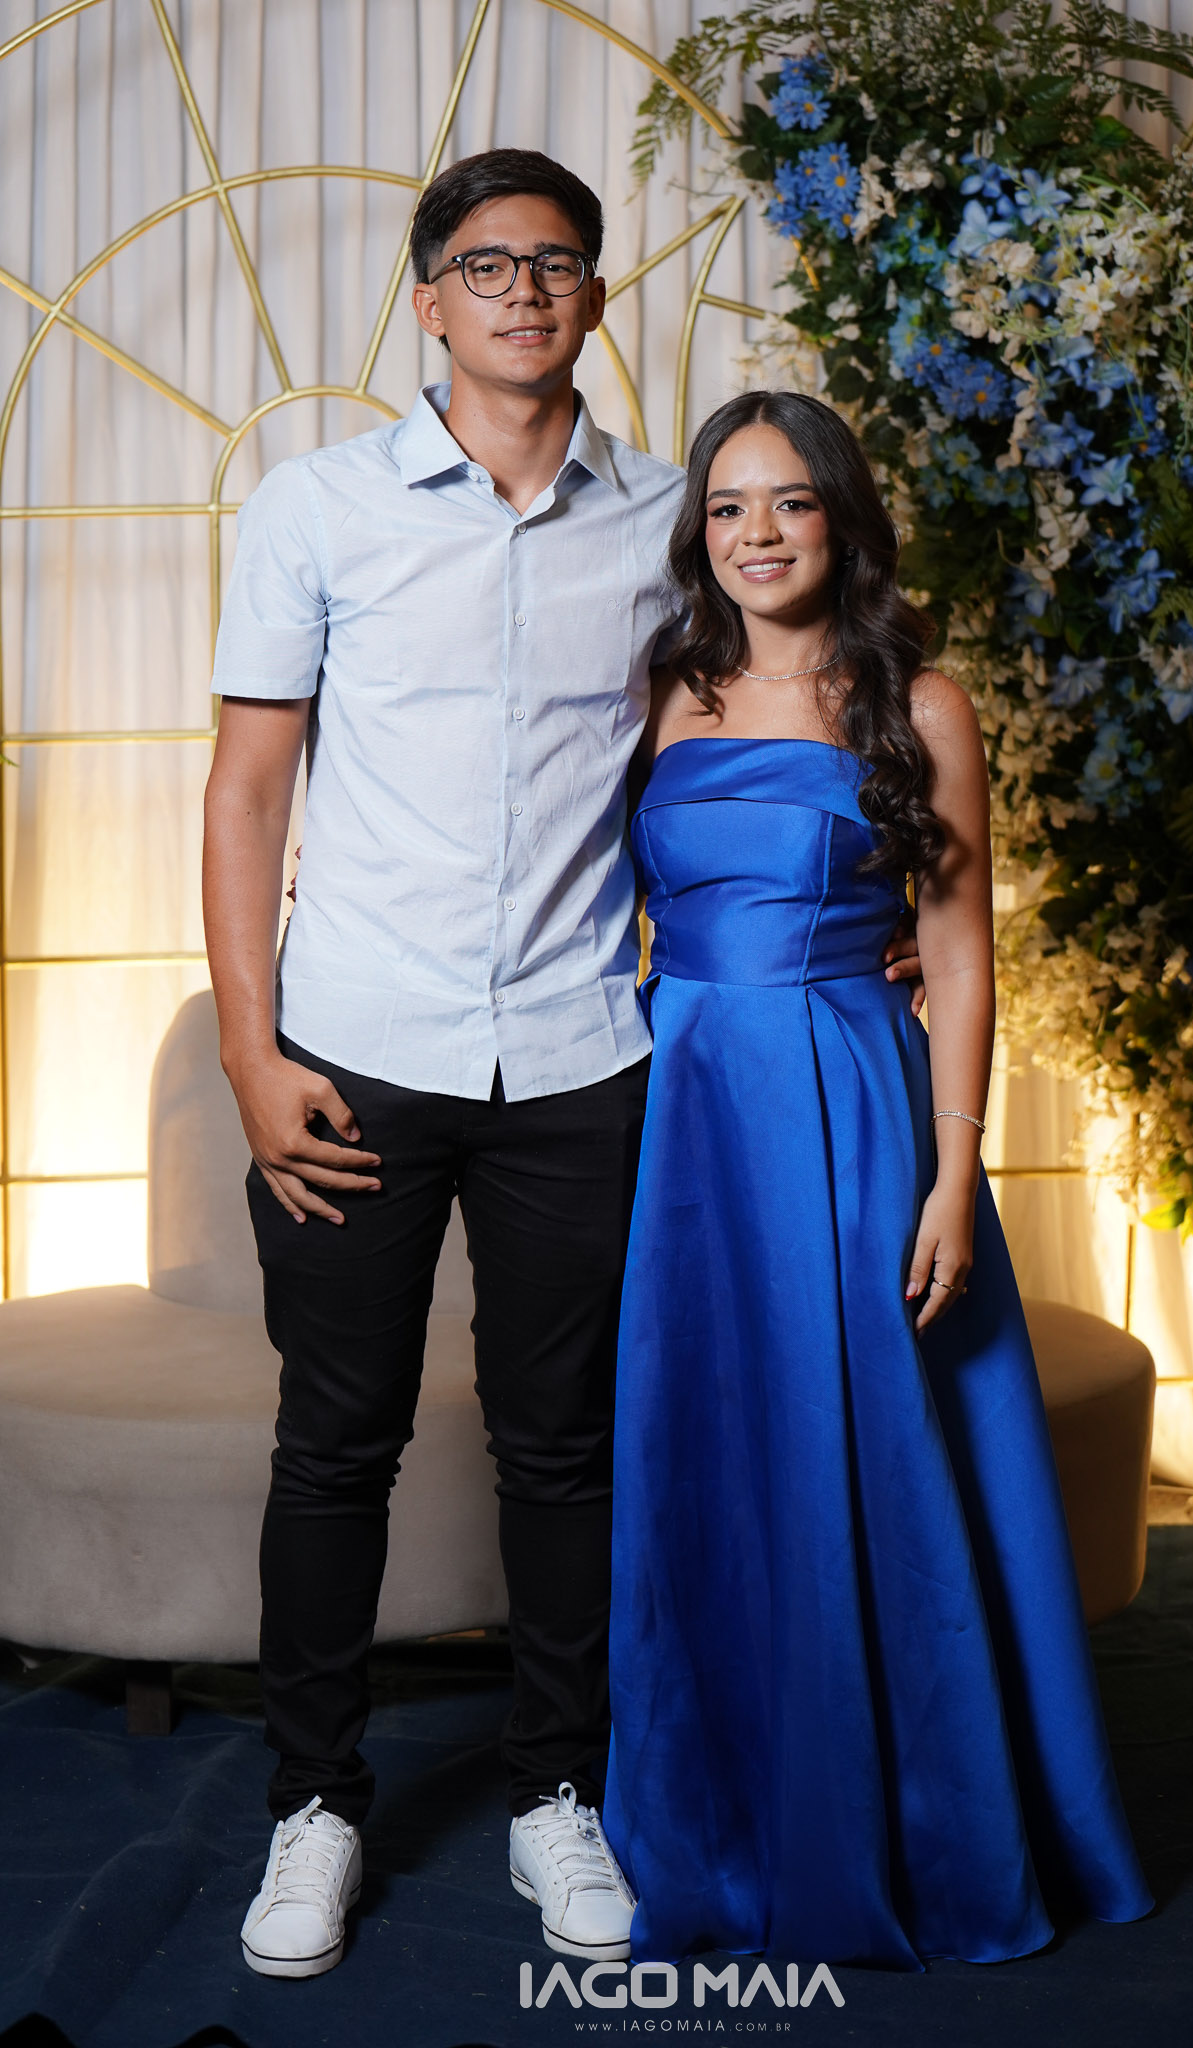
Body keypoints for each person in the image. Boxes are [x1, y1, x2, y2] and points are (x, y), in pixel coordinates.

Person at [203, 150, 921, 1980]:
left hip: (590, 1054)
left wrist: (874, 893)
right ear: (427, 300)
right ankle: (313, 1805)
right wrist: (248, 1051)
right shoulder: (315, 510)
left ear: (595, 301)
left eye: (555, 264)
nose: (522, 290)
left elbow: (782, 709)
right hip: (356, 1053)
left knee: (567, 1448)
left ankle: (556, 1792)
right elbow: (248, 791)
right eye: (485, 264)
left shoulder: (672, 521)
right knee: (333, 1445)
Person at [603, 389, 1154, 1967]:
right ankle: (717, 1817)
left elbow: (961, 952)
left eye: (789, 502)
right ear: (697, 532)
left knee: (868, 1449)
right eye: (726, 506)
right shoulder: (664, 690)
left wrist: (951, 1174)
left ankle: (909, 1828)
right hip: (682, 1108)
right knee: (708, 1452)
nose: (756, 533)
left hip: (848, 1099)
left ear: (841, 520)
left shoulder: (920, 703)